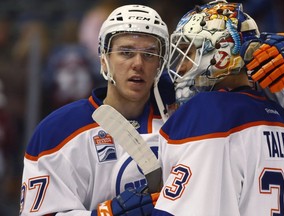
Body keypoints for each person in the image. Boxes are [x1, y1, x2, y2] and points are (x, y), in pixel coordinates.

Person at [19, 4, 170, 215]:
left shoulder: (181, 122)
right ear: (104, 60)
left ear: (160, 64)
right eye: (126, 52)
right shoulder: (59, 131)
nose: (138, 63)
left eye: (149, 54)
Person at [151, 0, 284, 215]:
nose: (181, 66)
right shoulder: (280, 114)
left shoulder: (207, 112)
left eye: (189, 52)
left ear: (221, 57)